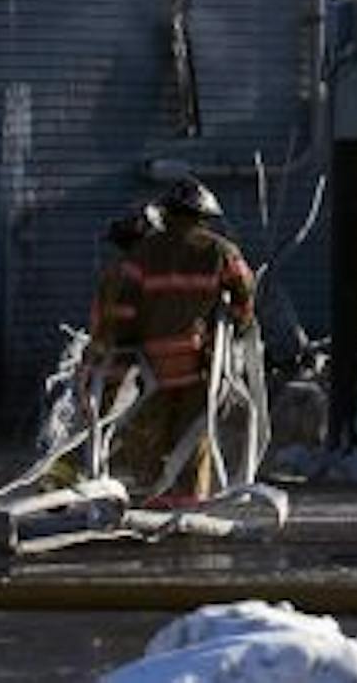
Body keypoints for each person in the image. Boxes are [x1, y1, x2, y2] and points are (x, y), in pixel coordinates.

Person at [115, 176, 256, 507]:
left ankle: (154, 495)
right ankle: (189, 501)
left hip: (151, 363)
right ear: (204, 217)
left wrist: (125, 347)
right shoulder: (221, 251)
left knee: (152, 431)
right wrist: (239, 321)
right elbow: (244, 289)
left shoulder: (143, 253)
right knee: (194, 432)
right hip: (198, 359)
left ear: (167, 214)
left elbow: (125, 305)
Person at [42, 204, 158, 489]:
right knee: (107, 422)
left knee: (92, 421)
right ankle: (70, 479)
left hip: (113, 360)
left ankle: (63, 477)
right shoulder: (139, 273)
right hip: (126, 362)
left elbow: (104, 323)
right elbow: (124, 322)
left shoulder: (118, 272)